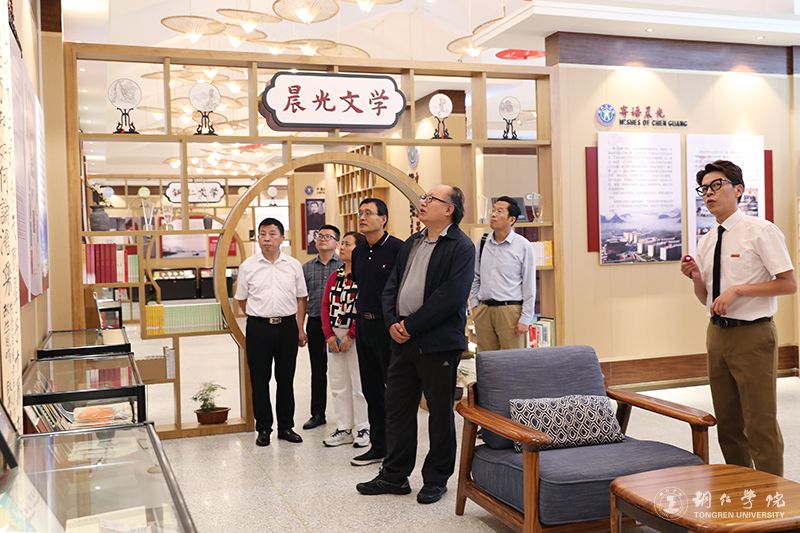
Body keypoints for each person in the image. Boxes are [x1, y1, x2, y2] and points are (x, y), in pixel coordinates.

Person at [356, 185, 474, 505]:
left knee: (439, 413)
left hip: (437, 343)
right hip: (401, 339)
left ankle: (436, 479)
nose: (423, 202)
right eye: (424, 198)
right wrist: (392, 322)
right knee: (398, 409)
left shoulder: (461, 246)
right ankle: (394, 475)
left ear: (449, 209)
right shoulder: (413, 241)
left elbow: (450, 296)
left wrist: (411, 325)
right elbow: (392, 286)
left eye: (430, 199)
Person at [681, 160, 795, 476]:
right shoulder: (707, 240)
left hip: (753, 334)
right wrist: (695, 277)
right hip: (717, 335)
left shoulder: (761, 231)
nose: (709, 193)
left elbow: (788, 284)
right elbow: (706, 298)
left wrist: (739, 291)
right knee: (728, 422)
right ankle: (741, 486)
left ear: (739, 190)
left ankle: (772, 492)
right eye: (704, 188)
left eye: (717, 185)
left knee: (759, 421)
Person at [235, 217, 308, 447]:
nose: (267, 239)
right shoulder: (248, 266)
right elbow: (242, 300)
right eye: (263, 234)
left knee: (286, 379)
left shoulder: (293, 265)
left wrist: (300, 328)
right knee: (259, 380)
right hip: (259, 328)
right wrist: (259, 316)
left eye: (272, 234)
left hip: (287, 327)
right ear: (258, 238)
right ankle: (264, 428)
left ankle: (286, 427)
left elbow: (301, 298)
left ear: (282, 238)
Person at [349, 197, 404, 466]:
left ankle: (396, 449)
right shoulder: (358, 252)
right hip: (364, 325)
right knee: (370, 388)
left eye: (368, 213)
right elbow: (361, 284)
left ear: (383, 219)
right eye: (360, 213)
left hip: (388, 326)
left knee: (393, 390)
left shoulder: (398, 249)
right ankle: (378, 446)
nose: (362, 217)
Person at [320, 231, 370, 448]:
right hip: (334, 336)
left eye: (348, 244)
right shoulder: (335, 275)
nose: (342, 247)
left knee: (359, 383)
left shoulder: (364, 275)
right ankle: (343, 427)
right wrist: (329, 335)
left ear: (359, 249)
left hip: (357, 336)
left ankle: (364, 427)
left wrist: (351, 335)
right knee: (338, 383)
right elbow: (324, 306)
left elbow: (365, 306)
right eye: (342, 243)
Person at [469, 196, 536, 352]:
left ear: (511, 219)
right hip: (484, 310)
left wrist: (525, 318)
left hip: (510, 311)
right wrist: (475, 305)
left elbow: (529, 284)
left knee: (512, 360)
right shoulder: (483, 242)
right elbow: (475, 277)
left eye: (499, 211)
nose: (493, 215)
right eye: (493, 210)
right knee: (486, 359)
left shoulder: (523, 246)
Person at [302, 225, 344, 430]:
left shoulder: (345, 265)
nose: (322, 239)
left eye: (328, 236)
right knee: (318, 370)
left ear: (337, 243)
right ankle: (318, 414)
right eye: (320, 235)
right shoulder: (307, 268)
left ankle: (346, 415)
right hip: (316, 322)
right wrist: (300, 328)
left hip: (340, 325)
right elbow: (301, 299)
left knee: (343, 371)